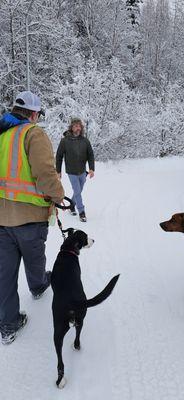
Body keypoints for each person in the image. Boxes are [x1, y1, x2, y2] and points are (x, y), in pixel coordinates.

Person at [0, 91, 65, 344]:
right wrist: (59, 196)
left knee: (4, 274)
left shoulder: (3, 134)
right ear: (34, 114)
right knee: (35, 258)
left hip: (2, 219)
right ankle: (38, 286)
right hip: (28, 216)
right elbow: (45, 174)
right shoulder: (33, 133)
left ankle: (8, 324)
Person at [56, 118, 95, 222]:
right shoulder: (65, 141)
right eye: (75, 126)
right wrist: (58, 171)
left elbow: (90, 155)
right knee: (77, 191)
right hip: (71, 171)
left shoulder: (85, 141)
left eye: (79, 126)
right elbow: (59, 156)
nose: (78, 128)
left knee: (79, 190)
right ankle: (81, 212)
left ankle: (72, 205)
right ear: (71, 128)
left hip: (82, 171)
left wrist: (91, 169)